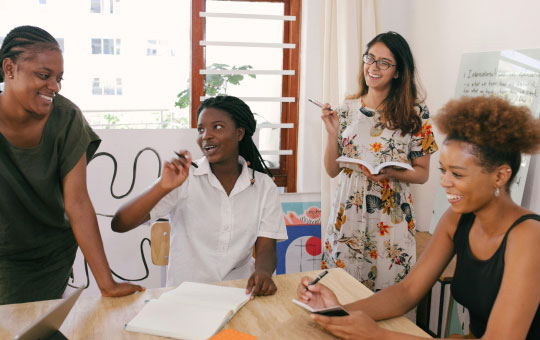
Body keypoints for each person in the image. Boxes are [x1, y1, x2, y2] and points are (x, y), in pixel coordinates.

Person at [297, 96, 540, 340]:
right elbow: (408, 291)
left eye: (457, 174)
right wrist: (336, 313)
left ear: (500, 176)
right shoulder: (457, 219)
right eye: (443, 171)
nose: (445, 182)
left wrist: (377, 335)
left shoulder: (529, 237)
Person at [0, 25, 144, 305]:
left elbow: (77, 202)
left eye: (59, 78)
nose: (54, 86)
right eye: (44, 76)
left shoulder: (66, 118)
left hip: (50, 255)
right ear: (9, 68)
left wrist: (107, 284)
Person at [112, 95, 287, 296]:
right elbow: (120, 223)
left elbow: (266, 247)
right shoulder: (185, 178)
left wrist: (263, 273)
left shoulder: (263, 186)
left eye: (217, 127)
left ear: (239, 133)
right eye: (201, 129)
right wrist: (162, 186)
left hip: (239, 293)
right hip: (186, 295)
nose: (206, 136)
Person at [320, 31, 438, 291]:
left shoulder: (416, 113)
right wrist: (331, 133)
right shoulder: (346, 108)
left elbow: (422, 174)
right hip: (347, 215)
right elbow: (331, 171)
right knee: (340, 296)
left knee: (389, 297)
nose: (373, 67)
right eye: (370, 58)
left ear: (398, 72)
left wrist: (391, 173)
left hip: (391, 220)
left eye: (384, 62)